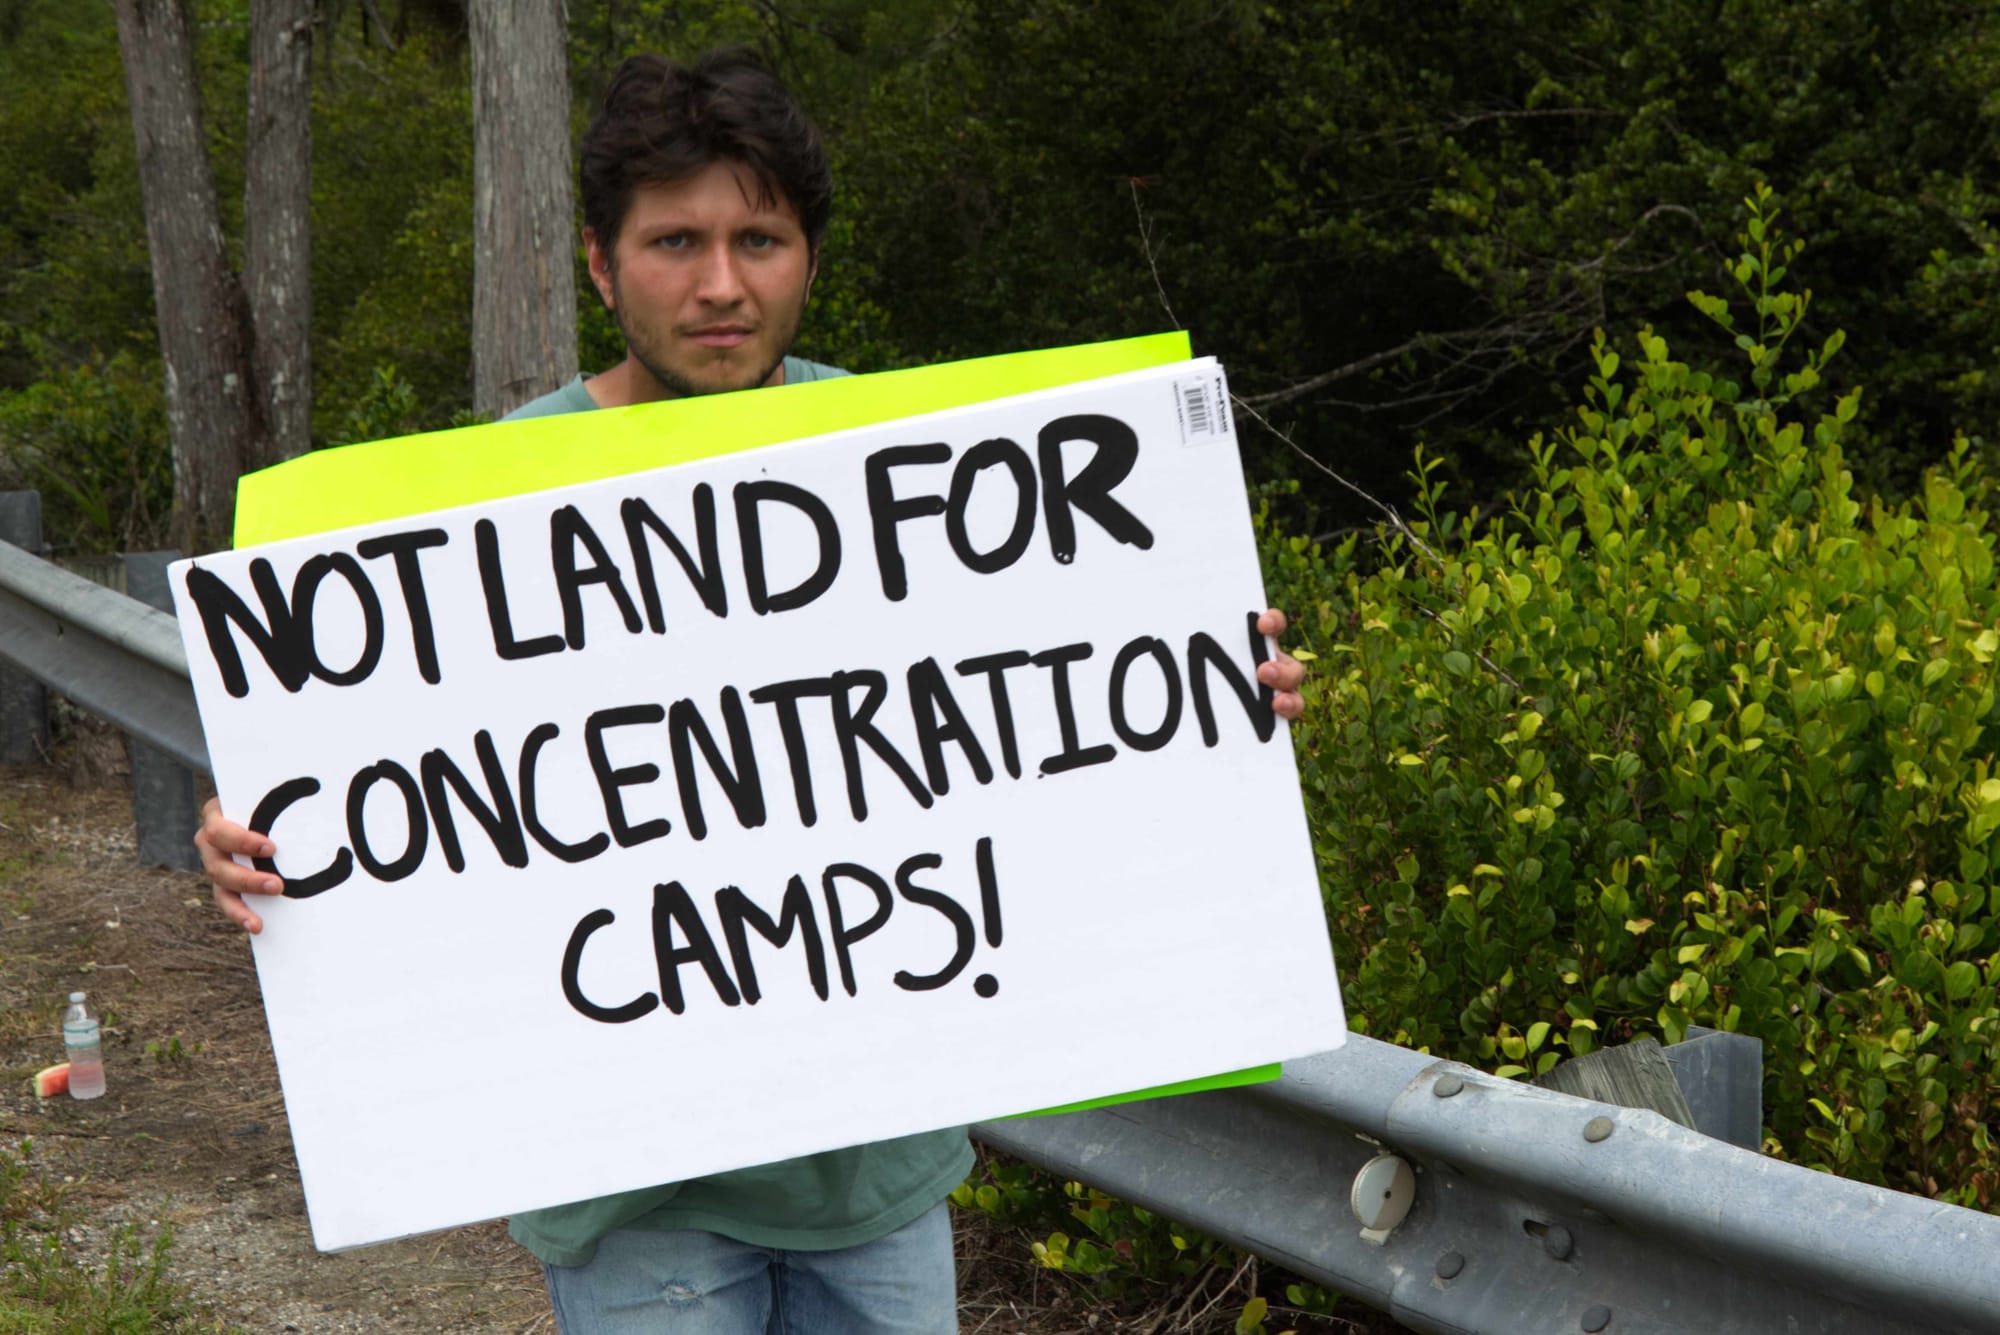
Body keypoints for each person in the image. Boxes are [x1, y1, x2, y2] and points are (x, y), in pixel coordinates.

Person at [195, 47, 1307, 1335]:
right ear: (602, 264)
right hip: (631, 1204)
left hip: (876, 1184)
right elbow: (380, 780)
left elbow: (1063, 712)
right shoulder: (485, 501)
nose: (720, 285)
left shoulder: (914, 461)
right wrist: (254, 839)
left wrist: (1220, 696)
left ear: (809, 260)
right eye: (675, 242)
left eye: (758, 241)